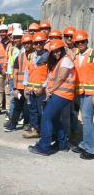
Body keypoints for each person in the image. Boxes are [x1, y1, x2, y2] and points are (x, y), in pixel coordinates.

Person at [29, 39, 76, 156]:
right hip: (59, 94)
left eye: (58, 50)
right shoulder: (58, 62)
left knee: (46, 117)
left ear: (62, 50)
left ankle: (44, 147)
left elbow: (61, 78)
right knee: (54, 119)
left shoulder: (65, 60)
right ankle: (62, 144)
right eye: (53, 52)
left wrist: (50, 90)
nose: (56, 53)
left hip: (62, 94)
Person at [23, 32, 49, 139]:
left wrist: (43, 87)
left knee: (42, 112)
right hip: (31, 89)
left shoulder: (48, 56)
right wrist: (25, 86)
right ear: (33, 44)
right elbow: (26, 72)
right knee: (33, 110)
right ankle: (35, 130)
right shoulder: (30, 56)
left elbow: (49, 74)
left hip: (41, 90)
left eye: (40, 43)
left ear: (44, 43)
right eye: (36, 43)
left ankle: (44, 132)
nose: (38, 45)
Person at [4, 33, 33, 132]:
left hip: (31, 88)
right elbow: (15, 73)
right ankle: (13, 124)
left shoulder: (36, 56)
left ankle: (27, 124)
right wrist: (15, 88)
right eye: (25, 43)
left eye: (29, 43)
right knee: (17, 106)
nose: (27, 45)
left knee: (27, 108)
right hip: (20, 87)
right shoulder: (20, 57)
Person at [73, 30, 94, 160]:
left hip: (90, 93)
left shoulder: (92, 54)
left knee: (86, 120)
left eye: (83, 41)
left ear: (87, 41)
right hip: (80, 92)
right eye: (78, 42)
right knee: (86, 119)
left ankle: (91, 148)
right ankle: (85, 143)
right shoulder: (76, 55)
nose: (80, 44)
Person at [0, 24, 11, 116]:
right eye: (1, 32)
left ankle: (8, 109)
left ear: (7, 32)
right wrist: (0, 69)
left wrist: (7, 70)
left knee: (8, 92)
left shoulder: (11, 43)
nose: (3, 33)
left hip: (8, 72)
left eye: (4, 31)